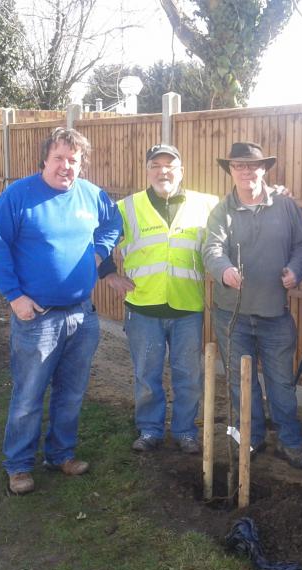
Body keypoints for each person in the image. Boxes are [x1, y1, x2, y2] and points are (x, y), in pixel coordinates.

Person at [0, 127, 120, 495]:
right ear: (45, 159)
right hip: (37, 317)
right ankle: (19, 465)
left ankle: (61, 454)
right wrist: (14, 296)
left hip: (81, 315)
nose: (65, 166)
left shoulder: (92, 196)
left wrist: (99, 252)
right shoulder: (19, 196)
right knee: (28, 395)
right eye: (59, 158)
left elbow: (113, 224)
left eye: (73, 160)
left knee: (71, 393)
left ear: (81, 164)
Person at [99, 144, 218, 454]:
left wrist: (271, 193)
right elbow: (99, 238)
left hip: (187, 307)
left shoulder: (206, 205)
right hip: (143, 307)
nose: (163, 171)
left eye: (170, 165)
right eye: (156, 165)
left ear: (181, 171)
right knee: (147, 375)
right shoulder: (127, 207)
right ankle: (150, 430)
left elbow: (234, 224)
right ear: (147, 170)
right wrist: (108, 273)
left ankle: (185, 432)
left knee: (188, 376)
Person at [203, 142, 302, 469]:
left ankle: (290, 442)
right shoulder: (221, 212)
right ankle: (251, 439)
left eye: (253, 165)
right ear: (231, 171)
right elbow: (212, 248)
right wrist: (224, 270)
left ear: (264, 169)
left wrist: (296, 270)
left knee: (281, 382)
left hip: (274, 314)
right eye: (239, 165)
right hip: (232, 315)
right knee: (242, 382)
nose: (246, 171)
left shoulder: (285, 206)